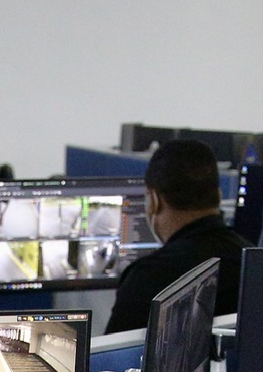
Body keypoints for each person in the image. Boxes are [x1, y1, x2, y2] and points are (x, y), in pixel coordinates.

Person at [102, 138, 247, 333]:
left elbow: (111, 350)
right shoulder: (252, 263)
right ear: (219, 196)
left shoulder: (148, 277)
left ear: (154, 201)